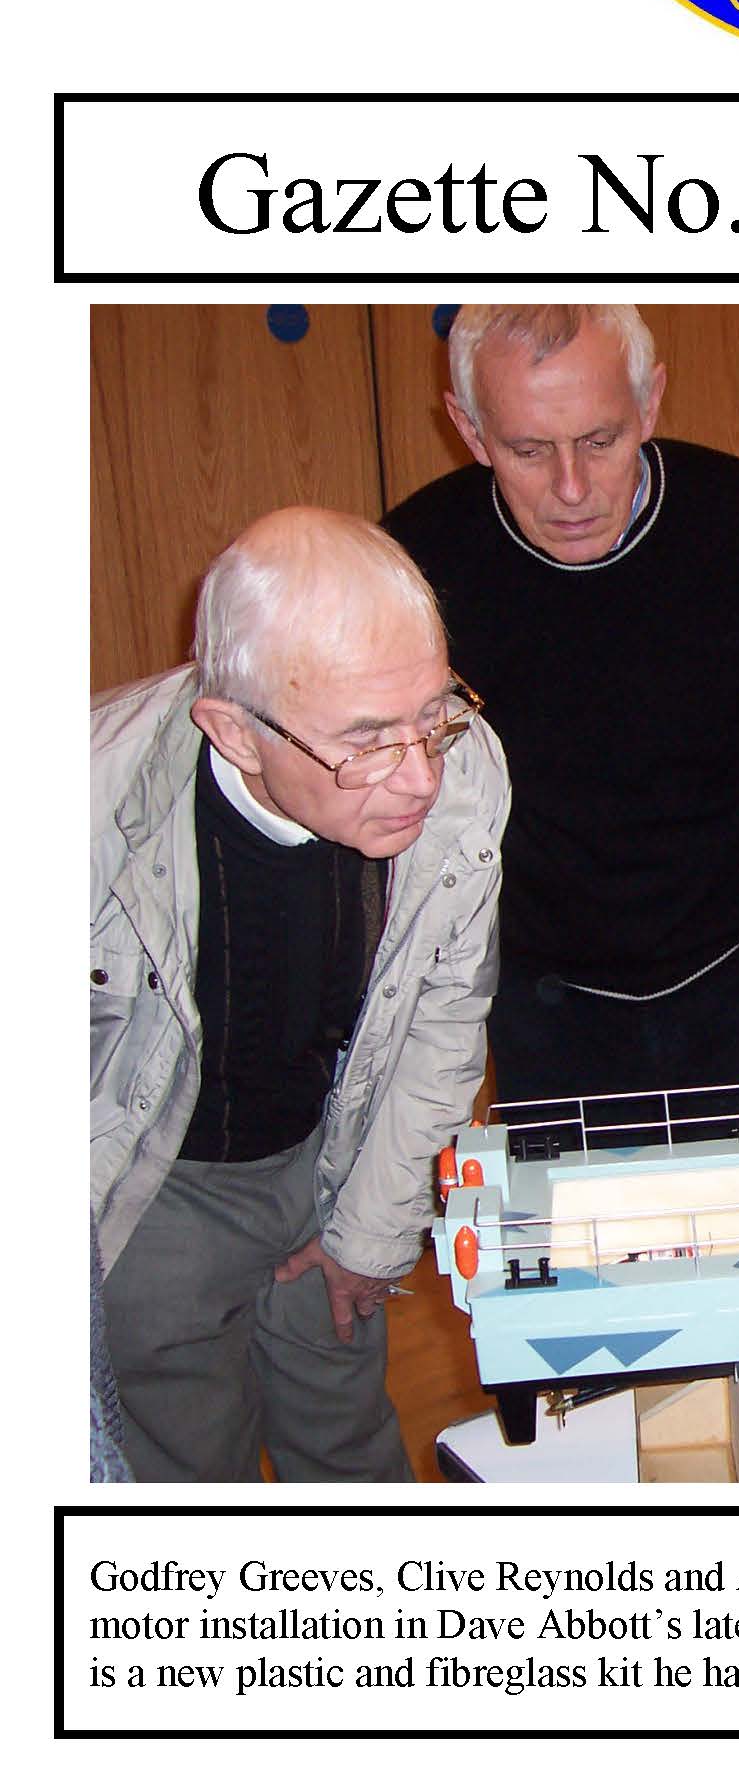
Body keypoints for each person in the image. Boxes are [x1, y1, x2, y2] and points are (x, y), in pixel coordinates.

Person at [91, 508, 509, 1482]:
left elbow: (444, 1019)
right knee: (192, 1471)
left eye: (433, 714)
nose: (420, 775)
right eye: (367, 741)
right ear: (235, 733)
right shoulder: (82, 810)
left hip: (332, 1145)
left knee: (349, 1435)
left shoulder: (463, 770)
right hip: (158, 1187)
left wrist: (372, 1230)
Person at [385, 306, 739, 1130]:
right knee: (565, 1216)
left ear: (649, 403)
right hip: (541, 997)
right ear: (470, 429)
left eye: (599, 440)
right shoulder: (416, 564)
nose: (571, 488)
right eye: (528, 450)